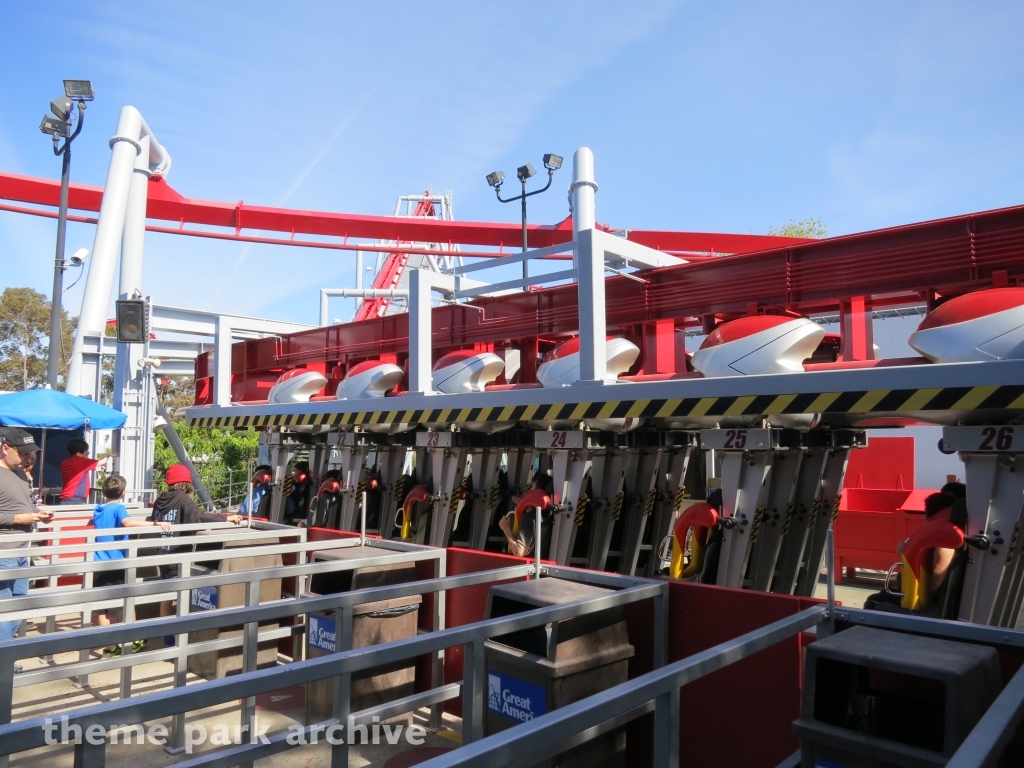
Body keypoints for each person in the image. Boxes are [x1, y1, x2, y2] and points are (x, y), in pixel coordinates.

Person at [148, 464, 242, 621]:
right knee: (182, 595)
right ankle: (180, 635)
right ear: (186, 482)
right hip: (177, 556)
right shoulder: (182, 499)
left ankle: (166, 633)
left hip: (162, 553)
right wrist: (226, 517)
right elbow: (198, 516)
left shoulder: (160, 499)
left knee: (166, 595)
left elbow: (153, 520)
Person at [0, 428, 53, 668]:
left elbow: (24, 506)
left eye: (30, 454)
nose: (27, 458)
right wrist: (20, 519)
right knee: (5, 610)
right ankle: (4, 664)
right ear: (5, 448)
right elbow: (14, 514)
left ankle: (5, 657)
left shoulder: (21, 474)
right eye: (23, 453)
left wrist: (39, 515)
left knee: (19, 607)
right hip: (4, 551)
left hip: (23, 551)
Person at [60, 438, 108, 505]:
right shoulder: (82, 462)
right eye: (87, 452)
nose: (87, 454)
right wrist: (108, 455)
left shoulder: (64, 463)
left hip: (65, 498)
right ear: (80, 450)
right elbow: (103, 462)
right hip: (75, 499)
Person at [283, 461, 313, 526]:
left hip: (293, 510)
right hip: (296, 510)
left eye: (296, 471)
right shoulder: (302, 485)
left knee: (283, 496)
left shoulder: (300, 486)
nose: (294, 473)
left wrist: (292, 480)